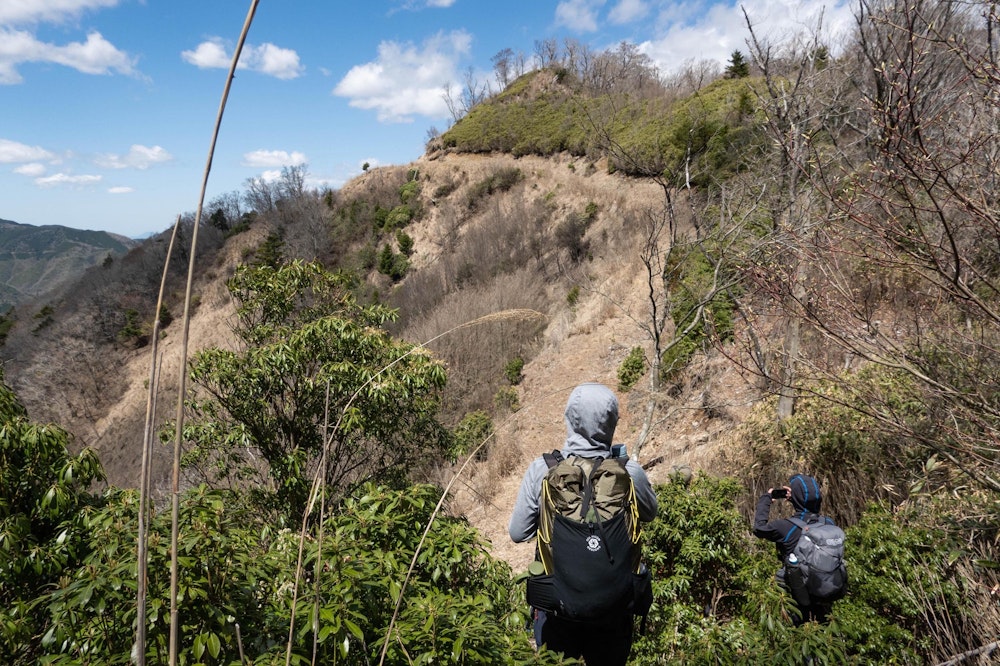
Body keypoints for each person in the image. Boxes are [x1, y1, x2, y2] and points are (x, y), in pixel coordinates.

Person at [509, 382, 658, 665]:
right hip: (614, 610)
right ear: (611, 423)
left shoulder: (543, 469)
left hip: (557, 609)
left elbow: (518, 533)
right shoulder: (629, 473)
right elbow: (650, 513)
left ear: (569, 419)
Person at [753, 473, 833, 624]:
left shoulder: (787, 527)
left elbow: (759, 528)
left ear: (795, 498)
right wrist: (798, 498)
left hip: (795, 596)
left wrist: (766, 500)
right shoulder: (829, 523)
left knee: (796, 635)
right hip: (823, 594)